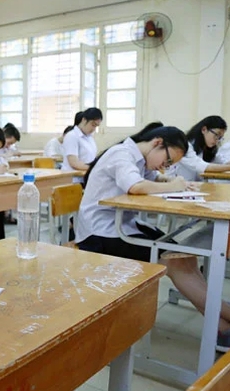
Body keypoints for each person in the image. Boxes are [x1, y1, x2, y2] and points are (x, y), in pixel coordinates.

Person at [75, 123, 230, 350]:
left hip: (124, 225)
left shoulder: (139, 157)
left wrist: (169, 182)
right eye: (167, 162)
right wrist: (174, 187)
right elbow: (136, 186)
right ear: (158, 143)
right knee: (174, 262)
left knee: (185, 256)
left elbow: (150, 179)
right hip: (99, 233)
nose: (164, 167)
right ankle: (224, 318)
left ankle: (219, 324)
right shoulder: (122, 154)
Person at [167, 116, 230, 181]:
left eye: (220, 137)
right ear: (204, 130)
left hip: (192, 186)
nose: (217, 140)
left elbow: (221, 162)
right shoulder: (185, 145)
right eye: (217, 135)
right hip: (175, 184)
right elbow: (200, 166)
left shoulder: (206, 148)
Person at [61, 108, 103, 182]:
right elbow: (74, 163)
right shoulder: (72, 136)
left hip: (86, 177)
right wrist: (95, 167)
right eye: (93, 125)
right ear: (84, 120)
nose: (94, 129)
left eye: (96, 126)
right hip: (73, 180)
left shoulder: (90, 138)